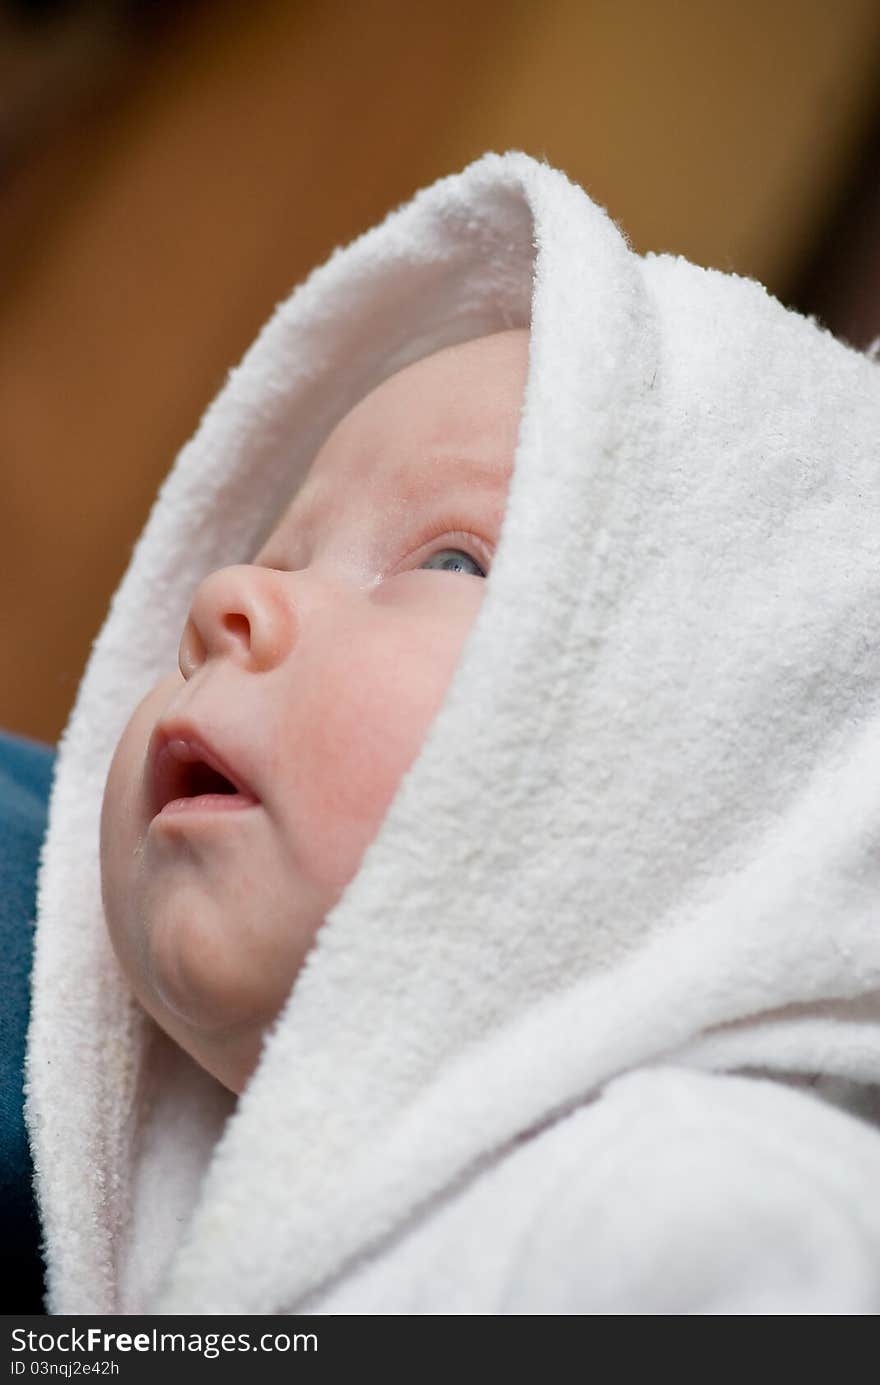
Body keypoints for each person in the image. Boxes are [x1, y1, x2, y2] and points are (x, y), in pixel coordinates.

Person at [26, 150, 880, 1314]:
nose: (229, 599)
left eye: (447, 557)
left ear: (693, 779)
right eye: (277, 550)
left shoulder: (700, 1207)